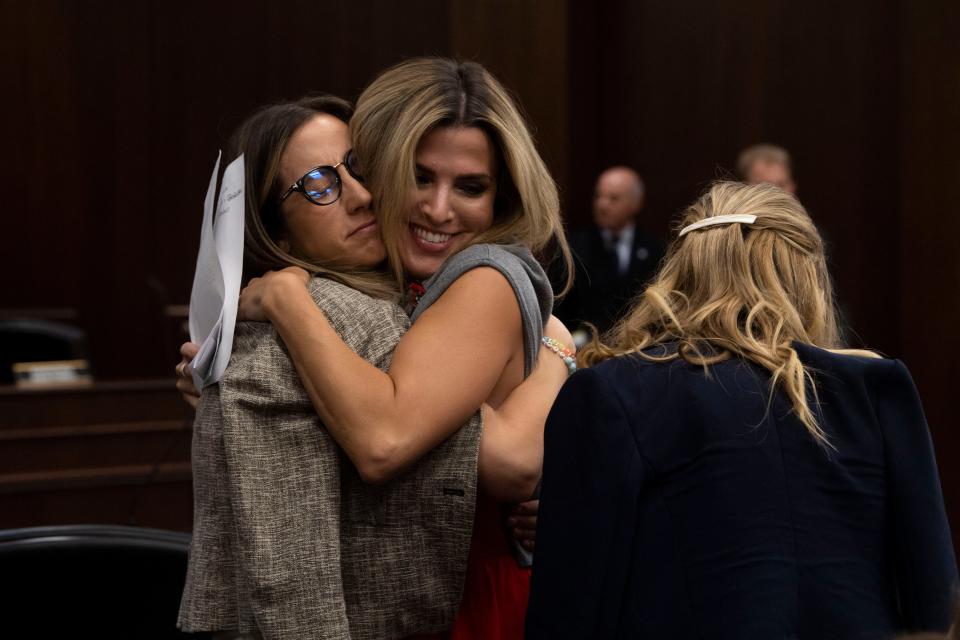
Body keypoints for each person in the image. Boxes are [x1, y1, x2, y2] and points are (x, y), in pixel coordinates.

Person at [180, 57, 575, 639]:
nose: (437, 209)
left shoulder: (476, 279)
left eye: (471, 187)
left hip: (459, 602)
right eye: (416, 176)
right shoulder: (383, 298)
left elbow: (432, 447)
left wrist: (557, 354)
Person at [526, 181, 958, 638]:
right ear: (808, 277)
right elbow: (931, 598)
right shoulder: (874, 390)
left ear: (679, 269)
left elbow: (571, 607)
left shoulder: (614, 393)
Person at [553, 166, 664, 343]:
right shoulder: (573, 247)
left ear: (636, 203)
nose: (602, 205)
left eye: (614, 198)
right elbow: (558, 306)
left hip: (637, 347)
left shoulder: (656, 250)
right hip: (582, 349)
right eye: (598, 196)